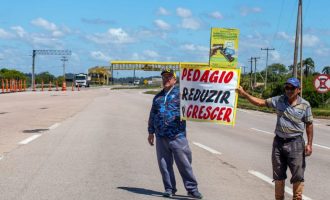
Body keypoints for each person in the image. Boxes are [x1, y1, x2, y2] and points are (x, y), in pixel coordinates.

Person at [237, 77, 313, 200]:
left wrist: (309, 144)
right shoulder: (279, 100)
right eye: (287, 87)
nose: (288, 90)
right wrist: (244, 94)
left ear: (298, 90)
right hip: (279, 143)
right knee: (278, 175)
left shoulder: (305, 105)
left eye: (292, 88)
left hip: (296, 143)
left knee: (298, 175)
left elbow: (309, 124)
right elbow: (260, 102)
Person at [148, 69, 203, 199]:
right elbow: (152, 115)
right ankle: (169, 188)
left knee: (184, 164)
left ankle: (192, 189)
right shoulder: (158, 97)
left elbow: (196, 103)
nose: (166, 79)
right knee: (164, 165)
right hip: (161, 136)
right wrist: (151, 132)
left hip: (177, 135)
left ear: (174, 79)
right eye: (164, 77)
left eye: (169, 77)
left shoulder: (181, 94)